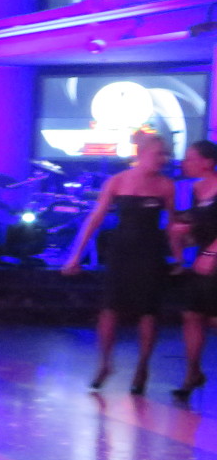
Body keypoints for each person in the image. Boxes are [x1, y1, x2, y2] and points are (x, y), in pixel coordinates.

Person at [63, 130, 178, 394]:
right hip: (122, 250)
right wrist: (75, 255)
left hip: (150, 252)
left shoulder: (165, 185)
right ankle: (105, 363)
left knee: (148, 312)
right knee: (110, 308)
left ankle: (142, 367)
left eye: (165, 155)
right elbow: (95, 218)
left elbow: (172, 226)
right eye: (158, 154)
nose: (162, 159)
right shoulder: (117, 181)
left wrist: (179, 257)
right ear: (142, 153)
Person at [173, 139, 217, 396]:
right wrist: (185, 234)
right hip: (203, 259)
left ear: (207, 162)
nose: (185, 163)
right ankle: (192, 373)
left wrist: (211, 253)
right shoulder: (196, 190)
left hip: (213, 259)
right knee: (191, 314)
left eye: (191, 158)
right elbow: (201, 229)